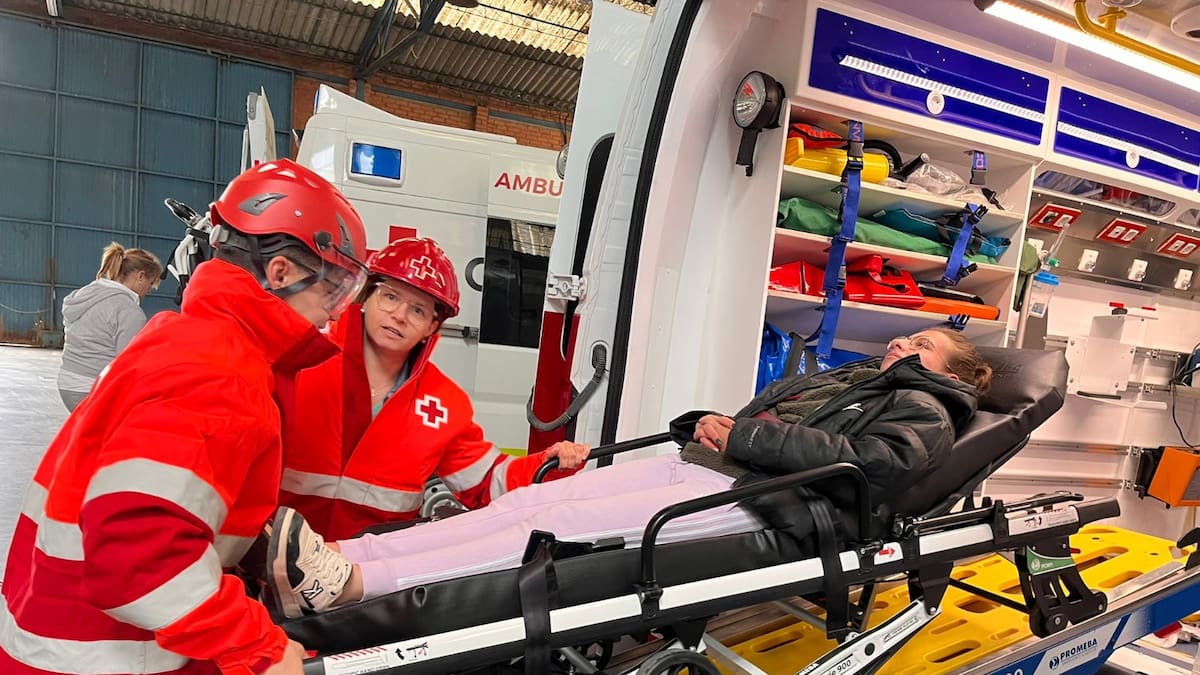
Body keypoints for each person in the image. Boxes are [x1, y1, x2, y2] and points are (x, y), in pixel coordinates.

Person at [265, 328, 993, 618]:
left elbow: (874, 467)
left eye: (923, 344)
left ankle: (355, 589)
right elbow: (781, 428)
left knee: (548, 532)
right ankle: (339, 558)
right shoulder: (857, 382)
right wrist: (720, 425)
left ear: (952, 373)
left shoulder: (926, 407)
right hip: (706, 468)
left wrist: (748, 436)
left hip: (759, 502)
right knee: (525, 506)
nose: (904, 340)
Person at [1, 159, 370, 675]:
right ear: (282, 273)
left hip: (62, 635)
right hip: (103, 657)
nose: (336, 312)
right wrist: (257, 647)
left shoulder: (184, 338)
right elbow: (139, 557)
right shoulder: (220, 374)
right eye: (334, 289)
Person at [277, 237, 589, 542]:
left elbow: (487, 482)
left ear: (431, 328)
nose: (399, 315)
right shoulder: (303, 359)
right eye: (390, 297)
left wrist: (548, 464)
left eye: (418, 310)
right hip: (272, 550)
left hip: (370, 568)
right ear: (366, 298)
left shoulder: (445, 403)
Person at [57, 243, 163, 410]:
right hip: (92, 388)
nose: (148, 290)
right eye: (150, 283)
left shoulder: (85, 294)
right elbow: (127, 364)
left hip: (67, 382)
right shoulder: (128, 310)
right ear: (140, 276)